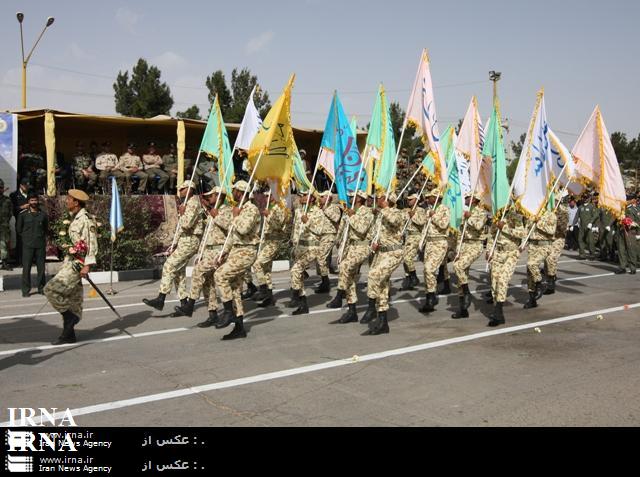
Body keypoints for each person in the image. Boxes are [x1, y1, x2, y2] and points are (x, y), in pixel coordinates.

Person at [44, 189, 98, 345]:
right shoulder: (74, 217)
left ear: (76, 202)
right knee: (72, 300)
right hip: (71, 260)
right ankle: (68, 334)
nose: (66, 201)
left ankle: (70, 318)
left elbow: (92, 243)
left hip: (78, 263)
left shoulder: (86, 219)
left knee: (51, 289)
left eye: (69, 199)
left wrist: (87, 265)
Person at [172, 186, 232, 325]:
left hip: (219, 250)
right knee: (208, 284)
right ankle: (213, 314)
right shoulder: (213, 211)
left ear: (219, 196)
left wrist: (215, 215)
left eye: (210, 196)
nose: (207, 198)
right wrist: (201, 252)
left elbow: (230, 227)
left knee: (197, 272)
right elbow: (207, 233)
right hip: (208, 250)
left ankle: (190, 305)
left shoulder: (226, 210)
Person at [143, 180, 204, 311]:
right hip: (184, 240)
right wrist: (175, 243)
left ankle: (161, 298)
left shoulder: (192, 204)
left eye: (182, 189)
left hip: (190, 240)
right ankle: (184, 303)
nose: (179, 192)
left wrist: (182, 213)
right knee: (178, 272)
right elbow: (181, 228)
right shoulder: (186, 204)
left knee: (169, 265)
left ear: (189, 189)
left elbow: (187, 224)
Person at [213, 180, 261, 340]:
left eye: (235, 191)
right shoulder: (240, 209)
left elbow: (243, 228)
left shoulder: (251, 209)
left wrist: (235, 216)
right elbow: (232, 236)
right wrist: (223, 254)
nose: (232, 193)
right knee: (234, 289)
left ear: (241, 192)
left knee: (219, 275)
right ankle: (239, 327)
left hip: (246, 252)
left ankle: (228, 312)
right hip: (235, 251)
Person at [328, 191, 375, 321]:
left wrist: (353, 216)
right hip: (350, 247)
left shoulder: (367, 212)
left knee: (344, 266)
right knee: (350, 278)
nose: (349, 197)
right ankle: (352, 310)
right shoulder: (349, 210)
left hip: (362, 246)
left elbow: (362, 229)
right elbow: (342, 229)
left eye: (352, 196)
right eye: (349, 195)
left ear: (360, 198)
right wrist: (337, 242)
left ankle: (339, 295)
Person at [362, 193, 405, 335]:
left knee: (373, 275)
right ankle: (383, 323)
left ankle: (370, 307)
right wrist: (373, 244)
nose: (377, 200)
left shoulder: (398, 213)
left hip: (393, 253)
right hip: (380, 253)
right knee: (382, 286)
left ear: (388, 201)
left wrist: (385, 208)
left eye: (380, 198)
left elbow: (394, 221)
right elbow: (375, 233)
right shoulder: (380, 215)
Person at [487, 204, 526, 327]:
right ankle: (498, 312)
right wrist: (489, 250)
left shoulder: (515, 217)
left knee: (503, 280)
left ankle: (497, 312)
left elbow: (521, 234)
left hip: (511, 253)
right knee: (494, 283)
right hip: (498, 253)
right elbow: (491, 236)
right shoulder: (496, 218)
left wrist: (504, 228)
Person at [451, 193, 488, 319]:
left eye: (467, 197)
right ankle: (463, 309)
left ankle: (467, 293)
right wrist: (458, 250)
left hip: (475, 245)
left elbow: (478, 227)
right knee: (461, 277)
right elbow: (461, 233)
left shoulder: (481, 212)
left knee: (458, 266)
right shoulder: (465, 212)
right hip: (464, 245)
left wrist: (470, 217)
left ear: (474, 200)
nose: (465, 198)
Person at [288, 190, 324, 315]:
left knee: (295, 271)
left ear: (312, 198)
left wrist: (307, 221)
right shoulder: (299, 211)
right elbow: (296, 229)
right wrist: (293, 243)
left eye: (304, 195)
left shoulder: (318, 212)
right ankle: (303, 304)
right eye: (301, 195)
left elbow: (319, 230)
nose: (301, 197)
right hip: (299, 247)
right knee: (299, 275)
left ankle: (296, 296)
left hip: (312, 247)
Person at [251, 189, 288, 308]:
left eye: (269, 195)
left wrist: (269, 215)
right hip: (266, 241)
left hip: (274, 241)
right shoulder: (268, 206)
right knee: (266, 270)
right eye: (266, 195)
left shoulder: (279, 207)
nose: (267, 197)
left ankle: (263, 289)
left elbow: (279, 226)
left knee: (257, 264)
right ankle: (269, 297)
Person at [419, 188, 450, 314]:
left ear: (437, 197)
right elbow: (425, 227)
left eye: (430, 196)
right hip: (429, 243)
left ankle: (431, 296)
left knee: (429, 270)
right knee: (427, 271)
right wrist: (421, 242)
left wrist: (434, 216)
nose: (428, 199)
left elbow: (443, 225)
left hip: (439, 242)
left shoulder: (444, 209)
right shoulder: (429, 210)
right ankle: (429, 295)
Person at [523, 207, 557, 309]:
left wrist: (539, 222)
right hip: (532, 246)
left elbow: (552, 231)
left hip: (544, 245)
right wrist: (523, 242)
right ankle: (532, 298)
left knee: (531, 264)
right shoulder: (530, 213)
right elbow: (527, 229)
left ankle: (539, 281)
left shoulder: (551, 215)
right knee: (529, 272)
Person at [16, 192, 48, 296]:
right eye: (31, 200)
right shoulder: (23, 214)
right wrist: (26, 238)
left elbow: (46, 229)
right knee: (26, 268)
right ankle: (25, 290)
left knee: (41, 268)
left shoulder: (43, 214)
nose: (34, 202)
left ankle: (41, 288)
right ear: (28, 202)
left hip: (40, 244)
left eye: (35, 200)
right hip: (27, 245)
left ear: (38, 201)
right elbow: (19, 229)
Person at [314, 191, 341, 294]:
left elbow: (337, 218)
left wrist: (326, 210)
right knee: (320, 258)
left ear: (329, 198)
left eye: (322, 196)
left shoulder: (334, 207)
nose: (320, 198)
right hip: (320, 235)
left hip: (330, 234)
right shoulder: (319, 207)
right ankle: (324, 280)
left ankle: (325, 282)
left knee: (321, 257)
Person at [400, 193, 427, 290]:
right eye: (408, 199)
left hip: (416, 236)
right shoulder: (406, 210)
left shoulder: (421, 210)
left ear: (416, 200)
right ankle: (409, 280)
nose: (408, 201)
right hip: (408, 237)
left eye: (411, 199)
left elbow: (422, 222)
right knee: (405, 259)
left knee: (408, 258)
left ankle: (414, 277)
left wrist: (413, 216)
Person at [544, 198, 569, 295]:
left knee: (551, 259)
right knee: (546, 261)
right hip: (548, 239)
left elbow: (562, 227)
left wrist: (553, 218)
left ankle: (551, 284)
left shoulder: (562, 211)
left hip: (558, 238)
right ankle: (550, 277)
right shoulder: (545, 212)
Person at [616, 193, 639, 274]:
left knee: (631, 250)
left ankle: (632, 267)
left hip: (630, 232)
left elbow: (638, 221)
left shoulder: (635, 209)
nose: (627, 201)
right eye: (627, 199)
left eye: (629, 199)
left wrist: (638, 232)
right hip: (621, 230)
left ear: (633, 200)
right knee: (621, 249)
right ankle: (622, 267)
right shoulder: (621, 208)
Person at [577, 194, 599, 259]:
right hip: (581, 226)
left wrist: (591, 223)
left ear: (588, 199)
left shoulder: (591, 206)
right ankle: (582, 254)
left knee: (590, 241)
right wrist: (573, 224)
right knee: (580, 240)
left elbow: (595, 215)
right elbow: (577, 216)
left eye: (586, 198)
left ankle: (592, 254)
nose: (585, 199)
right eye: (583, 198)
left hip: (589, 226)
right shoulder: (580, 207)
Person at [0, 179, 13, 270]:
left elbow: (10, 213)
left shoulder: (7, 200)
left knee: (3, 245)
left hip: (3, 226)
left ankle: (4, 262)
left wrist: (5, 222)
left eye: (1, 188)